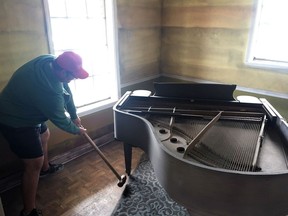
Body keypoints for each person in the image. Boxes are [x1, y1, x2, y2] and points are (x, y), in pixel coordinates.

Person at [0, 51, 89, 216]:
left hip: (28, 107)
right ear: (63, 71)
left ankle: (45, 170)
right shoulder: (48, 91)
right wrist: (77, 131)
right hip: (15, 119)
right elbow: (60, 120)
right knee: (34, 163)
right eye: (73, 76)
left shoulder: (49, 60)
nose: (74, 79)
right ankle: (28, 211)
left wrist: (74, 114)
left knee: (44, 134)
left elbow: (66, 88)